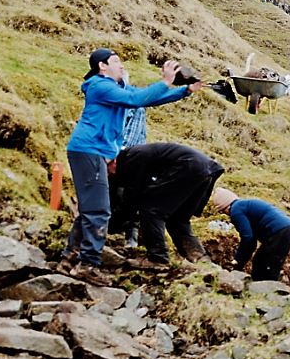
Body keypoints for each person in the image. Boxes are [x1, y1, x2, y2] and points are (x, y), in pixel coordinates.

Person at [62, 49, 203, 278]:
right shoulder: (99, 85)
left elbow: (145, 100)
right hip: (88, 151)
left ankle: (68, 260)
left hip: (95, 152)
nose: (122, 65)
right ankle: (87, 265)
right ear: (102, 66)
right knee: (98, 210)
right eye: (116, 61)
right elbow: (135, 100)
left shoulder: (117, 89)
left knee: (90, 209)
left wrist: (184, 91)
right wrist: (165, 80)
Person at [107, 142, 224, 267]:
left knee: (151, 209)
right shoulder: (132, 159)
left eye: (106, 168)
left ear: (113, 160)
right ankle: (200, 259)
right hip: (204, 169)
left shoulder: (132, 158)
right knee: (178, 219)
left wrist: (112, 224)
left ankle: (158, 258)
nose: (107, 174)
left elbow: (134, 197)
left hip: (188, 166)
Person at [211, 187, 290, 281]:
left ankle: (269, 291)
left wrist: (237, 261)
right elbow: (251, 243)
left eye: (222, 211)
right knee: (259, 261)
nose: (226, 215)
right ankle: (264, 289)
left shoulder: (236, 210)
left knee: (267, 264)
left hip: (280, 232)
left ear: (225, 207)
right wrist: (239, 262)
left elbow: (247, 237)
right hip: (289, 229)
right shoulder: (245, 206)